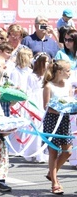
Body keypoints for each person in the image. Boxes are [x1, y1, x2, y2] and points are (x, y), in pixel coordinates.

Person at [42, 59, 72, 195]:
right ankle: (55, 182)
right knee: (53, 153)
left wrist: (70, 108)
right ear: (59, 72)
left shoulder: (68, 85)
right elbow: (46, 106)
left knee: (68, 151)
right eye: (67, 70)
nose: (69, 73)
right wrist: (59, 109)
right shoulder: (49, 86)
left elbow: (71, 102)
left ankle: (51, 172)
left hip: (65, 120)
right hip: (52, 120)